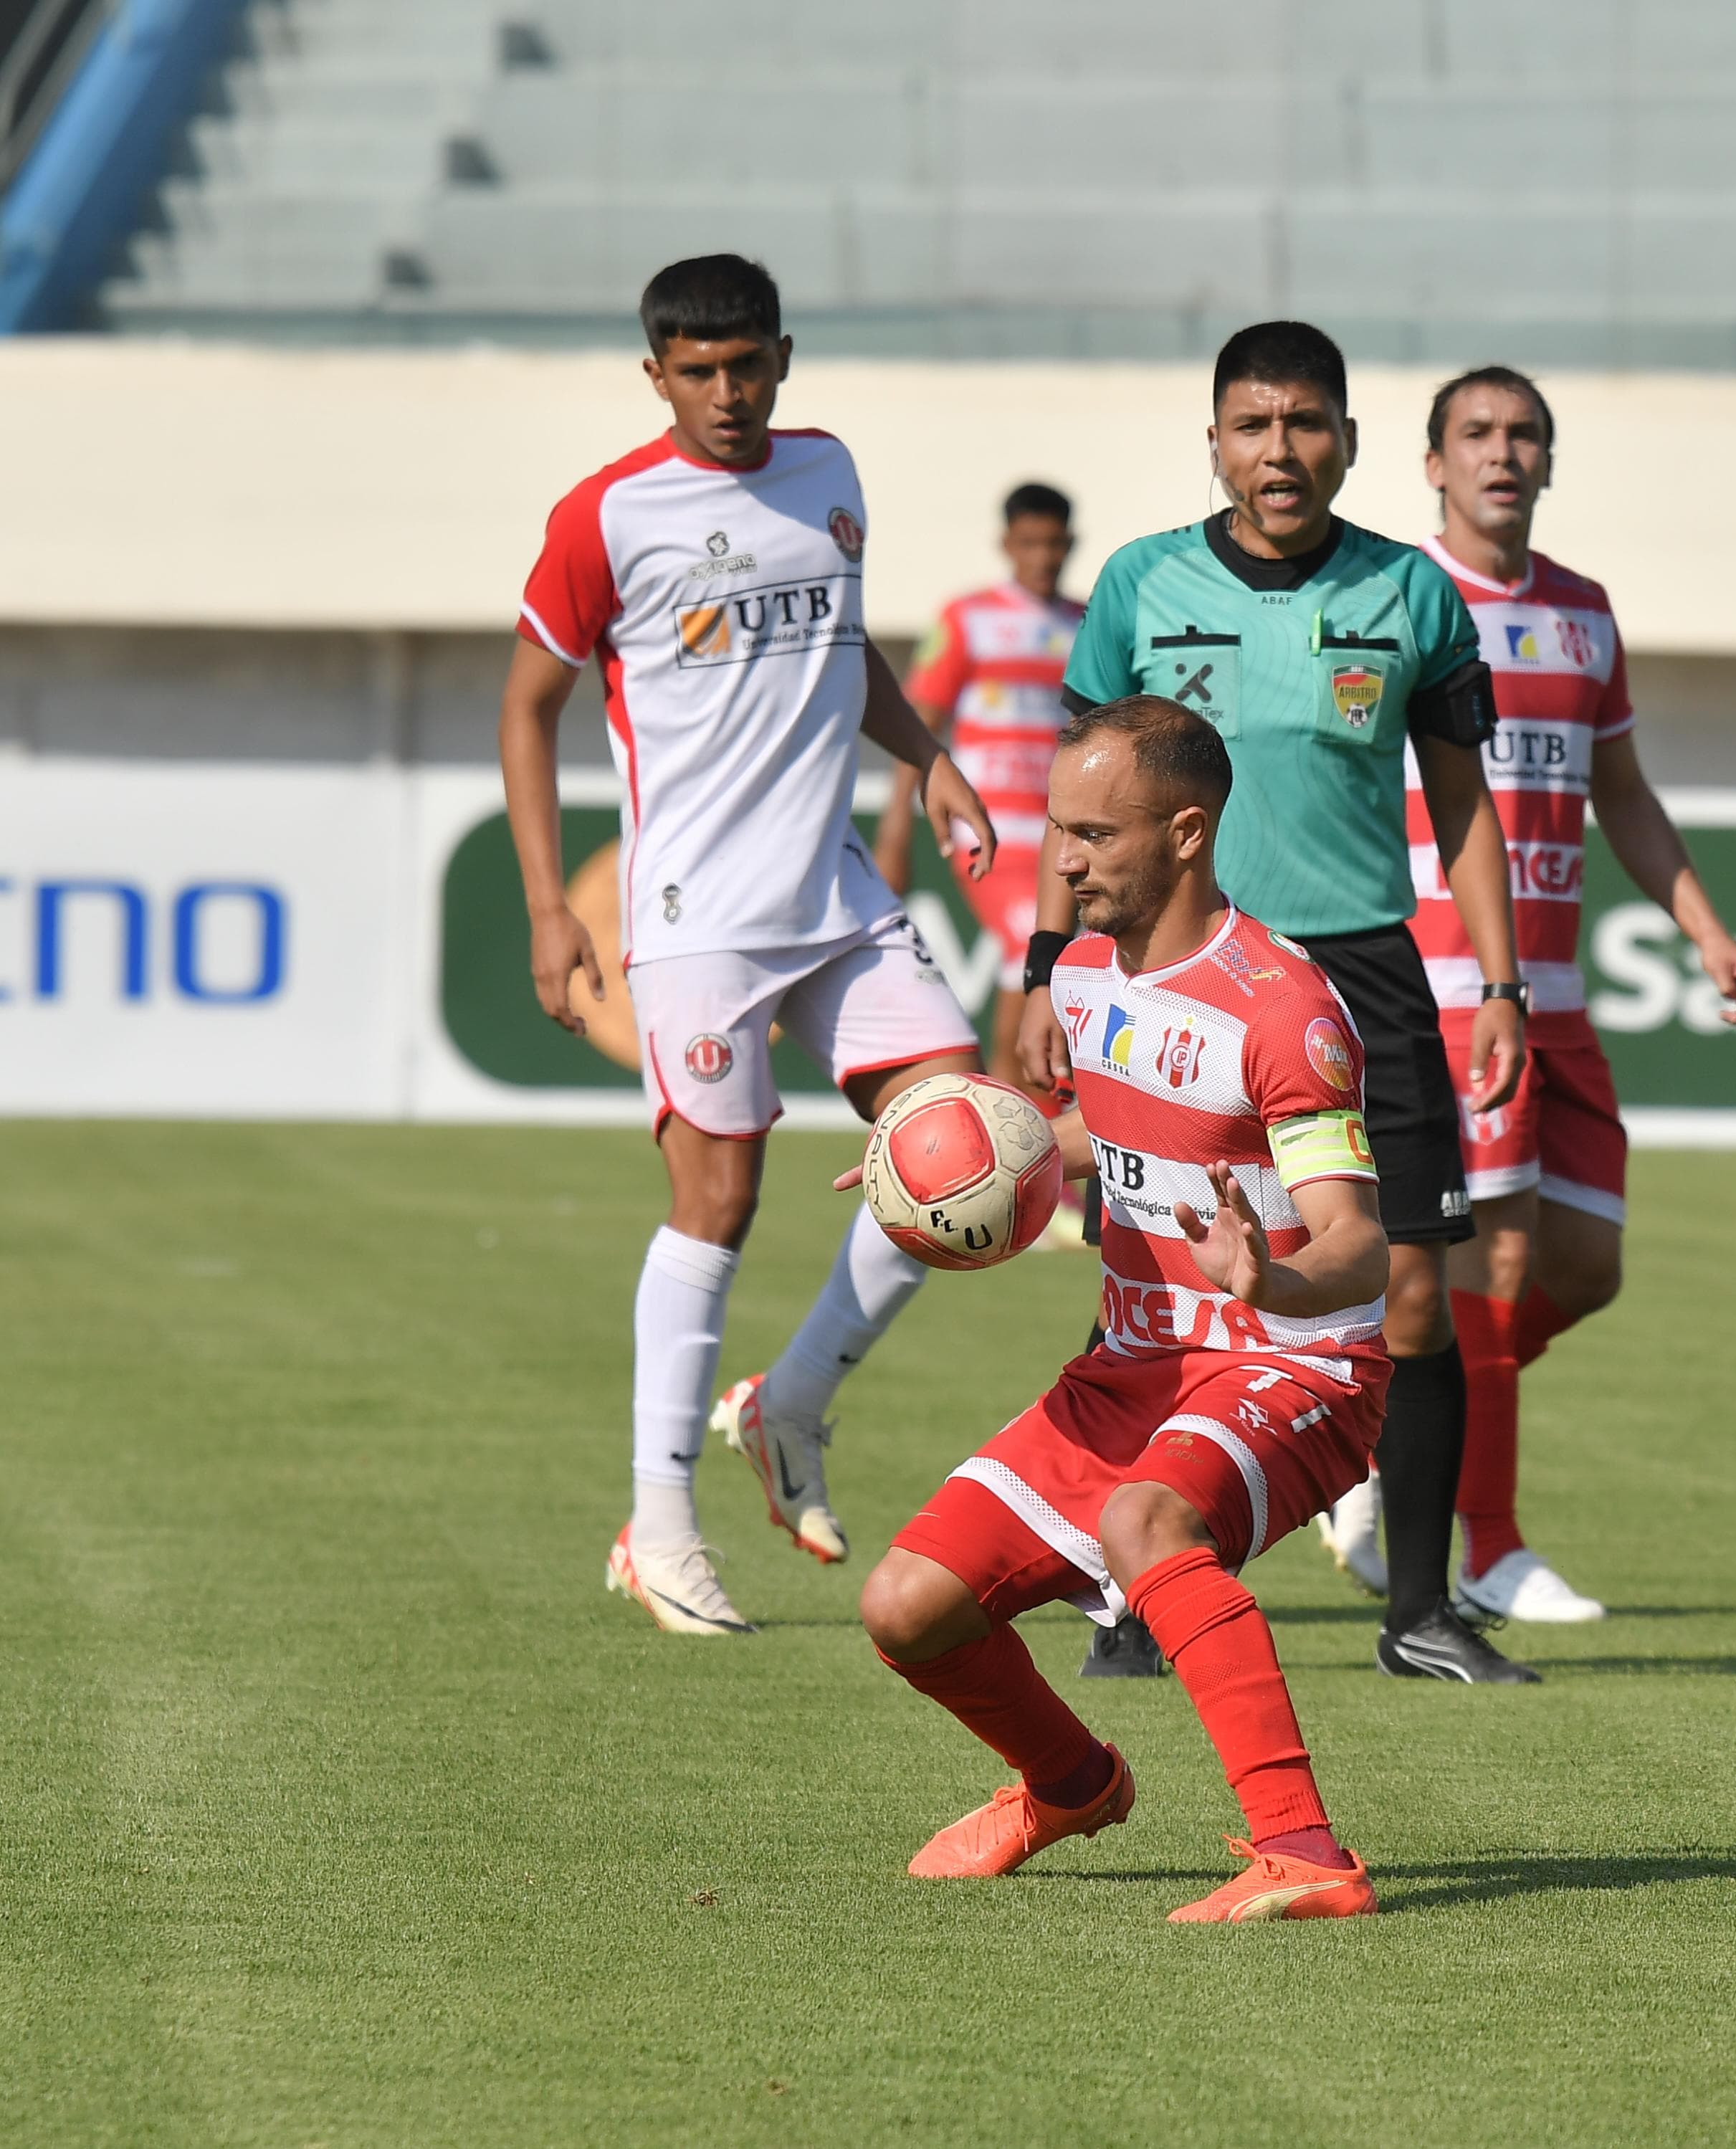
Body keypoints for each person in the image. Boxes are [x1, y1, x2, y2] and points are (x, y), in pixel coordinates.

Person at [1026, 321, 1538, 1685]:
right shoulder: (1139, 582)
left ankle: (1421, 1612)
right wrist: (1040, 964)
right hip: (1176, 983)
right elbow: (1073, 803)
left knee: (1416, 1289)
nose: (1280, 450)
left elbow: (1467, 805)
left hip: (1362, 976)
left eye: (1306, 423)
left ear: (1351, 443)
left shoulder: (1413, 594)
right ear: (1215, 442)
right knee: (1152, 1288)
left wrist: (1497, 979)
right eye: (1253, 424)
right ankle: (1134, 1590)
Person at [500, 254, 1000, 1633]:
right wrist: (550, 903)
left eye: (747, 366)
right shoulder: (605, 516)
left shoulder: (828, 469)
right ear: (656, 375)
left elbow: (847, 651)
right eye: (696, 371)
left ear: (783, 357)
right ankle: (658, 1526)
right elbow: (528, 706)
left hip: (833, 893)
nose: (726, 393)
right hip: (693, 917)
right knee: (719, 1202)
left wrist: (932, 756)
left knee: (965, 1149)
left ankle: (788, 1404)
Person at [859, 695, 1386, 1922]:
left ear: (1189, 833)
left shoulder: (1285, 1011)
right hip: (1134, 1364)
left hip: (1297, 1362)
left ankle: (1305, 1854)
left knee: (1152, 1523)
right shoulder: (1089, 976)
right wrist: (953, 1153)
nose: (1067, 859)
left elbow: (1364, 1246)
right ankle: (1071, 1783)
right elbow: (1121, 1127)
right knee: (907, 1607)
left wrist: (1274, 1277)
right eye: (1059, 830)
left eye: (1097, 834)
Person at [1379, 365, 1736, 1624]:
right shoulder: (1395, 602)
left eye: (1524, 433)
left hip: (1557, 993)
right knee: (1488, 1262)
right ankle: (1481, 1542)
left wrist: (1704, 926)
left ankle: (1399, 1424)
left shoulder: (1584, 613)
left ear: (1550, 460)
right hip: (1444, 988)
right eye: (1476, 434)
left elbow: (1625, 794)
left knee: (1583, 1266)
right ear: (1433, 463)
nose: (1503, 452)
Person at [874, 480, 1085, 1094]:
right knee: (1031, 944)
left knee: (1050, 965)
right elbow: (921, 726)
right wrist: (895, 831)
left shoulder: (1085, 623)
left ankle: (1019, 1122)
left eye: (1054, 543)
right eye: (1030, 543)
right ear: (1007, 544)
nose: (1043, 556)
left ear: (1069, 543)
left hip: (1055, 830)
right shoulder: (967, 619)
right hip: (986, 829)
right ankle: (1021, 1114)